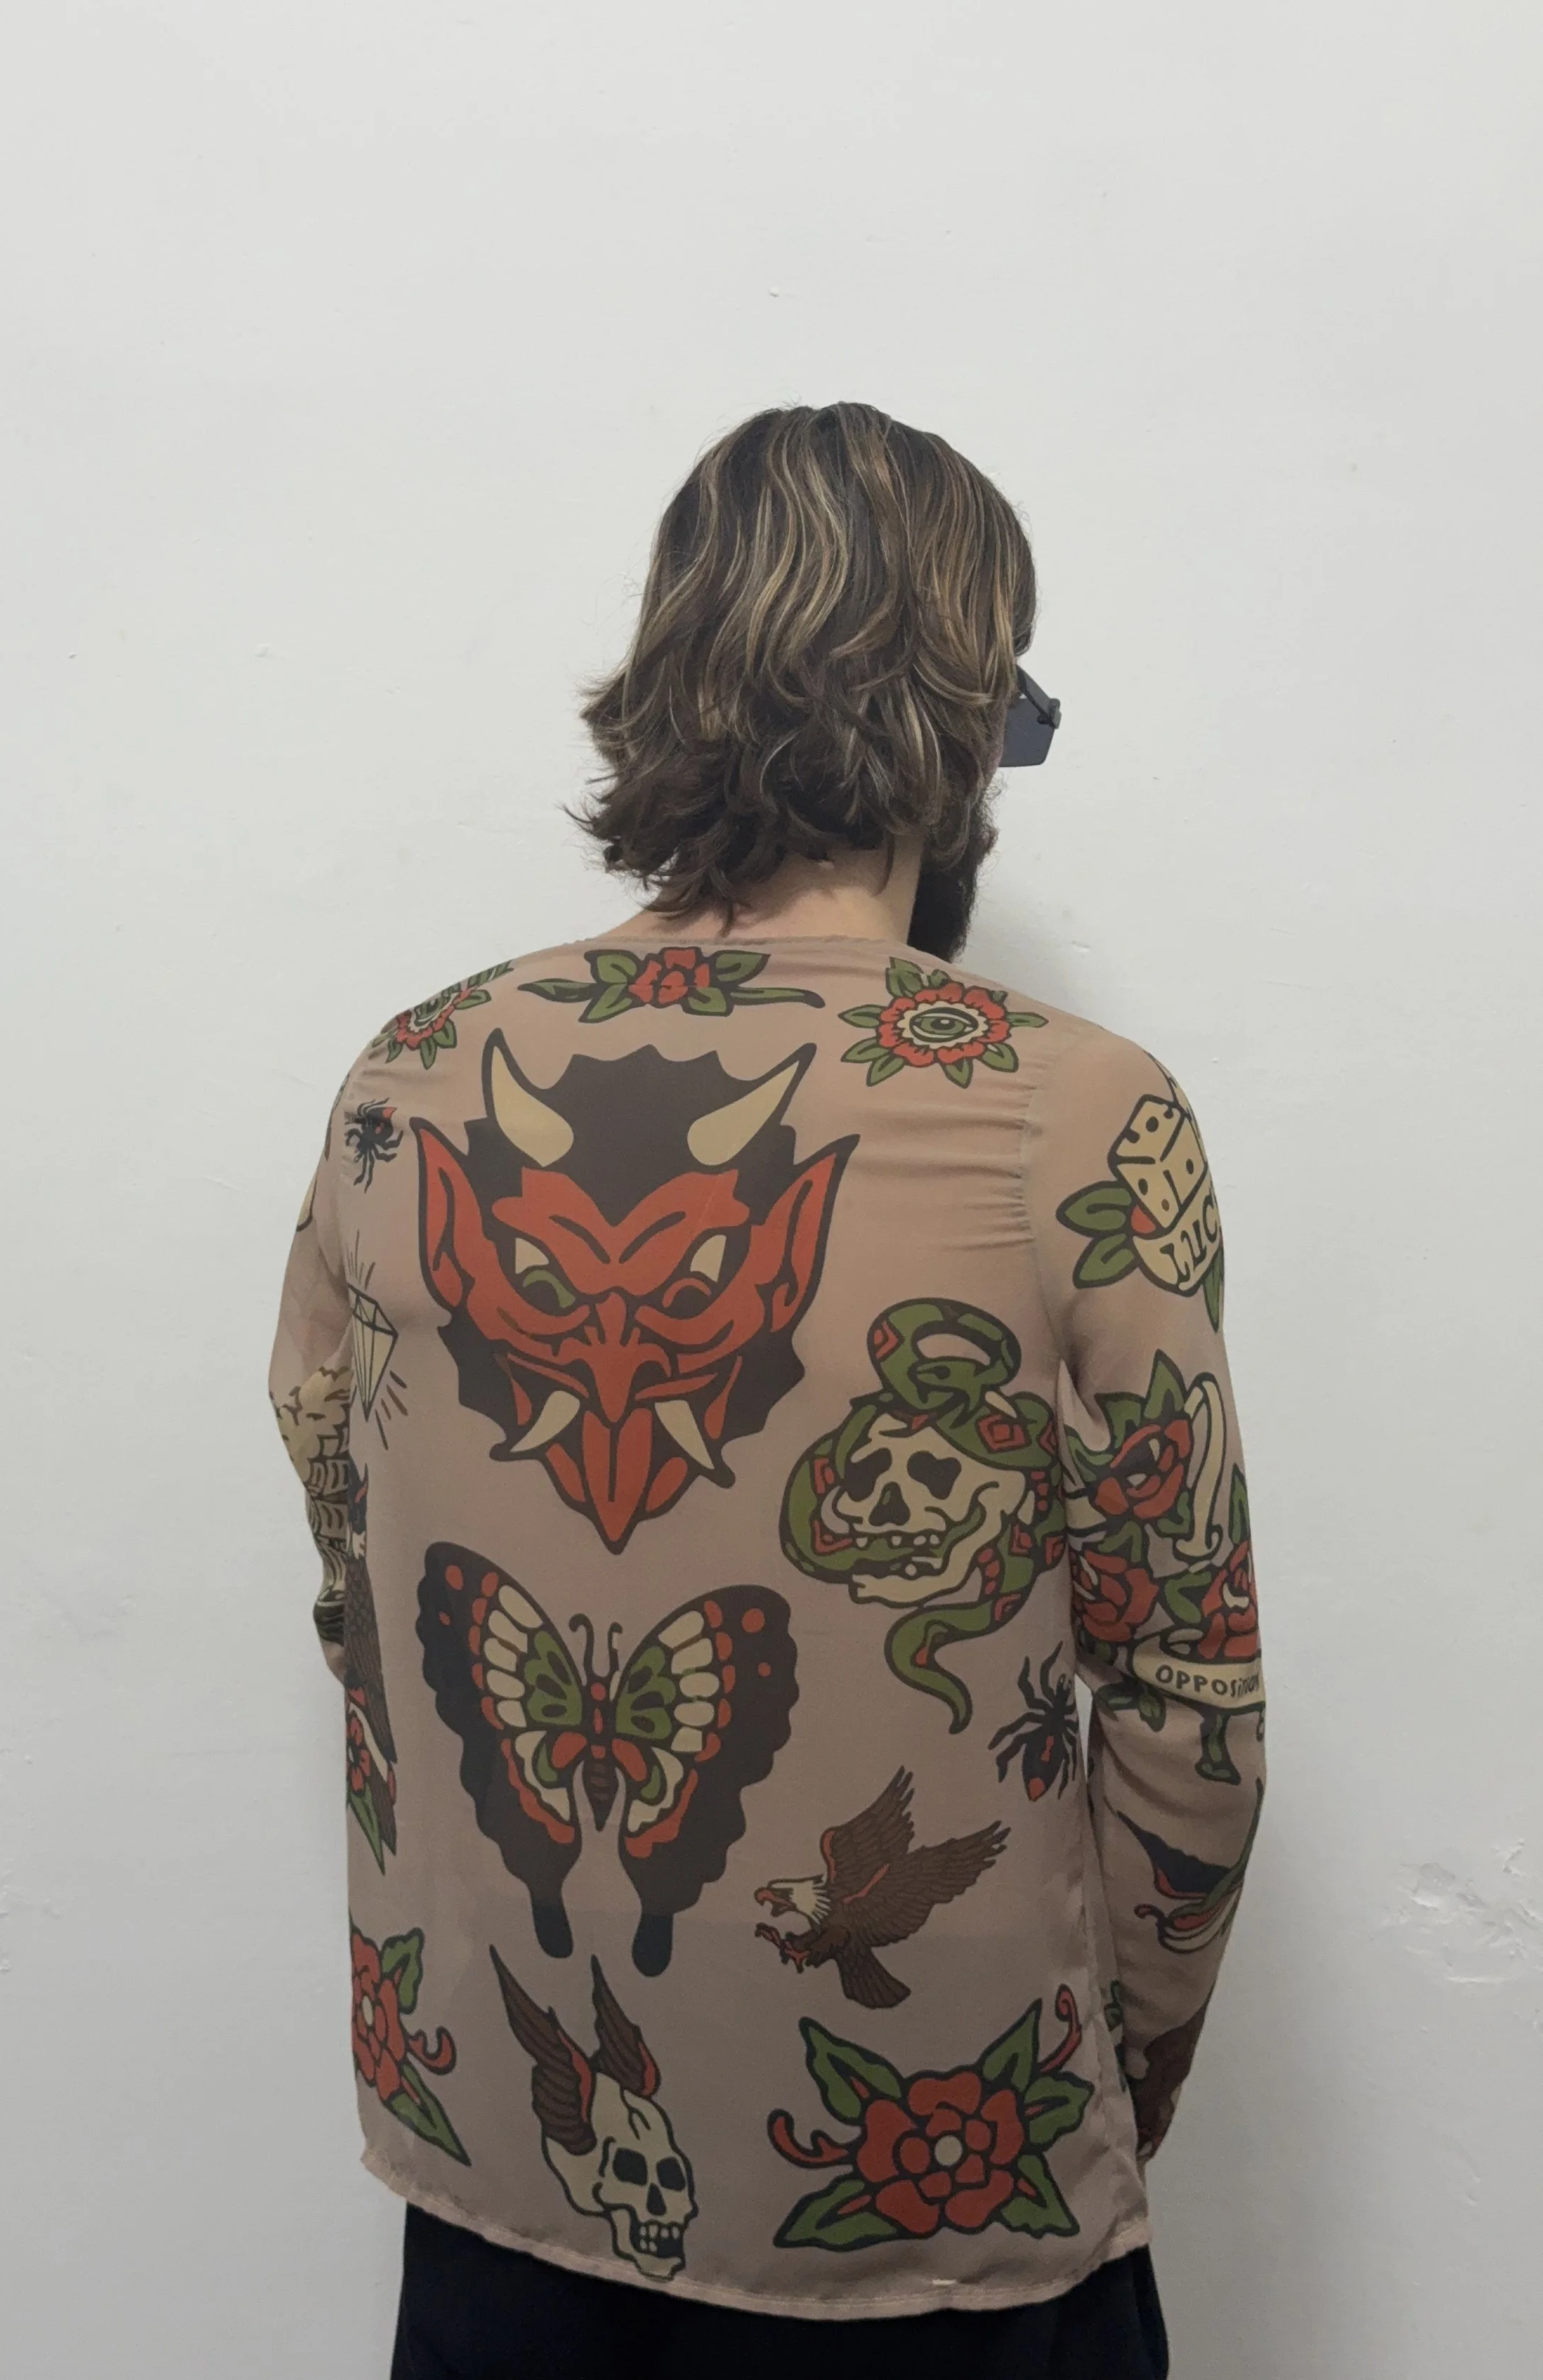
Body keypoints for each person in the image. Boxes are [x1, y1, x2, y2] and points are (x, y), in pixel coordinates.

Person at [268, 404, 1264, 2379]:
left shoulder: (411, 1074)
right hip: (930, 2209)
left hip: (508, 2165)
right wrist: (1103, 2085)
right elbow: (1189, 1716)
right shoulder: (1073, 1113)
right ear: (963, 715)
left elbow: (350, 1570)